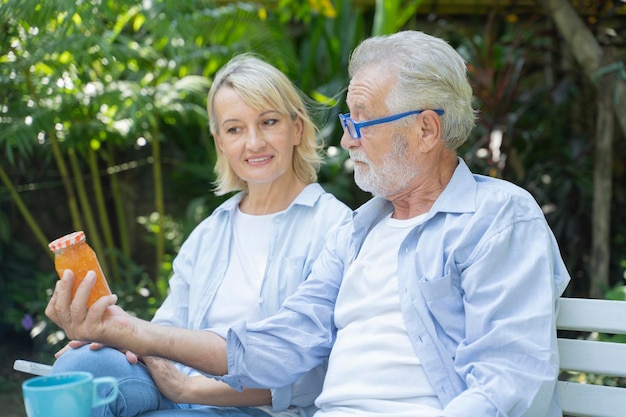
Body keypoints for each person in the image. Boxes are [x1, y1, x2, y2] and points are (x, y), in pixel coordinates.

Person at [46, 30, 572, 417]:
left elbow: (508, 383)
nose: (347, 140)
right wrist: (125, 331)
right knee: (83, 379)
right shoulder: (357, 234)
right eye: (347, 124)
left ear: (426, 130)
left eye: (359, 121)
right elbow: (277, 347)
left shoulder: (498, 217)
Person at [49, 54, 352, 417]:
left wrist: (187, 387)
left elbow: (314, 374)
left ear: (297, 128)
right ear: (220, 141)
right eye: (235, 129)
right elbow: (165, 332)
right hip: (177, 392)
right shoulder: (210, 232)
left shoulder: (335, 226)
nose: (253, 142)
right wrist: (113, 333)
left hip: (258, 409)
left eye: (268, 122)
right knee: (79, 369)